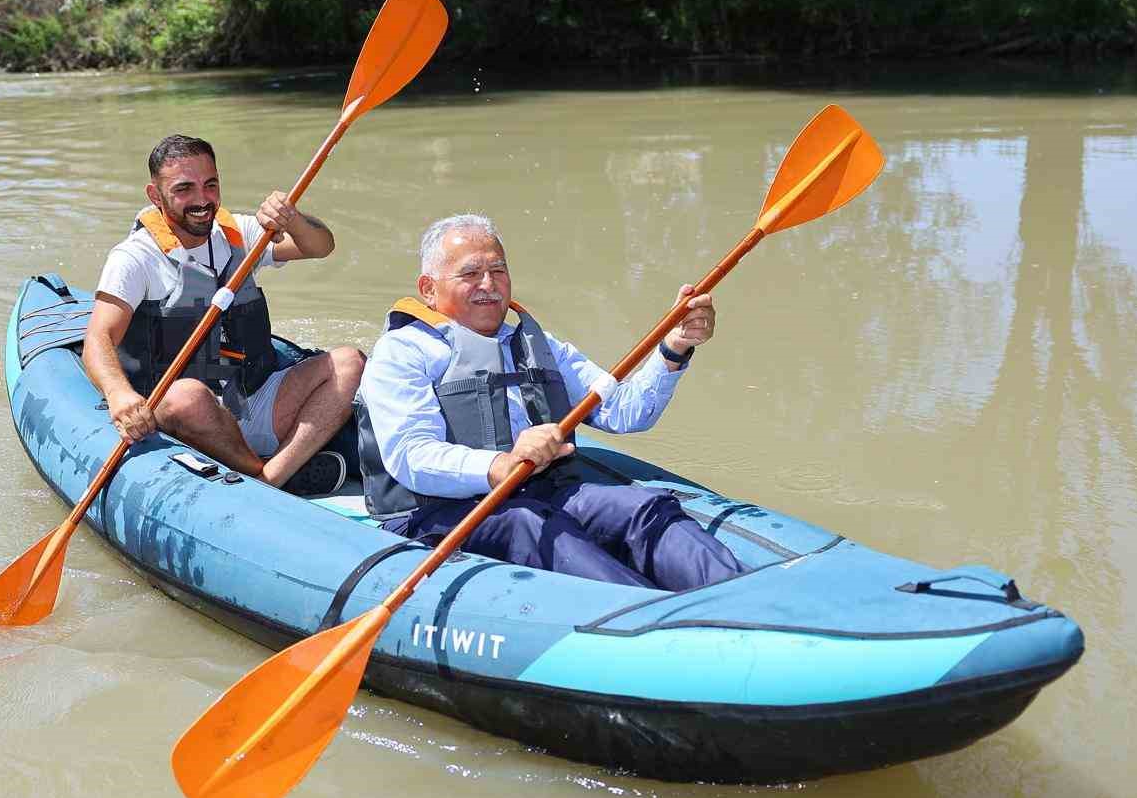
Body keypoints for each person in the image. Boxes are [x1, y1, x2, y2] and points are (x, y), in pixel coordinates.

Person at [356, 214, 743, 591]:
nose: (489, 285)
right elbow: (412, 456)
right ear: (429, 288)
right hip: (438, 513)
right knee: (530, 525)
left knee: (644, 509)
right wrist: (500, 466)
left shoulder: (538, 344)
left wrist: (673, 348)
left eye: (498, 271)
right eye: (471, 274)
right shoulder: (403, 351)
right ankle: (660, 621)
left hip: (539, 491)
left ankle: (743, 597)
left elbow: (624, 412)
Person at [83, 134, 364, 496]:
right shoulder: (134, 258)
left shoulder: (239, 233)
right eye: (184, 189)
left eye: (210, 185)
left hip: (250, 397)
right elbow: (97, 339)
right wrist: (119, 394)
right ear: (155, 196)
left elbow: (320, 246)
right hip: (184, 412)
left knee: (349, 362)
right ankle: (272, 473)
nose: (202, 200)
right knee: (187, 396)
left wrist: (292, 219)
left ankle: (272, 477)